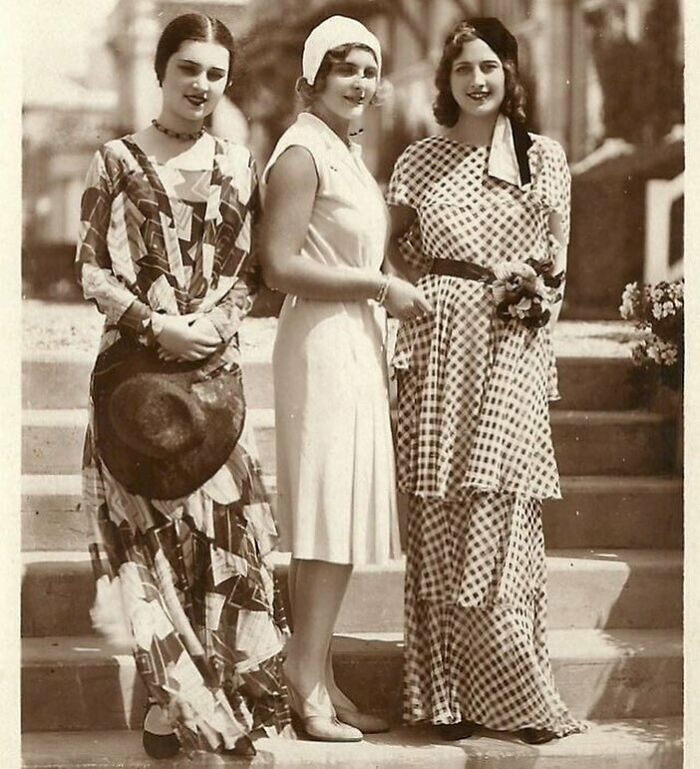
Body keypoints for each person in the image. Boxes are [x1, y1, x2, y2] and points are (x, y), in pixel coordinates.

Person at [76, 12, 292, 759]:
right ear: (161, 71)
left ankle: (222, 696)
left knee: (228, 539)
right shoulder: (116, 159)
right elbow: (91, 269)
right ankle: (171, 702)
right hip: (136, 377)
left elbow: (253, 272)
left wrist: (212, 326)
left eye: (215, 73)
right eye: (188, 69)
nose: (201, 84)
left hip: (211, 374)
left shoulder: (239, 163)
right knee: (149, 541)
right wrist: (154, 326)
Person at [386, 18, 585, 744]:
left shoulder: (543, 159)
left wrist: (531, 299)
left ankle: (519, 693)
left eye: (489, 67)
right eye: (463, 68)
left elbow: (558, 264)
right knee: (438, 517)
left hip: (511, 346)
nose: (476, 80)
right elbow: (388, 251)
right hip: (438, 344)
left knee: (500, 518)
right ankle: (446, 700)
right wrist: (418, 297)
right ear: (446, 80)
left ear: (510, 74)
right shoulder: (419, 160)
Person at [259, 15, 432, 742]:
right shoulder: (302, 152)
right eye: (345, 69)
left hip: (351, 337)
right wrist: (378, 286)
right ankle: (304, 683)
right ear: (314, 79)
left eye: (369, 69)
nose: (360, 82)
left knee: (333, 518)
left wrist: (386, 282)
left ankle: (317, 674)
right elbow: (278, 265)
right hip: (321, 340)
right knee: (327, 515)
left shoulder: (344, 150)